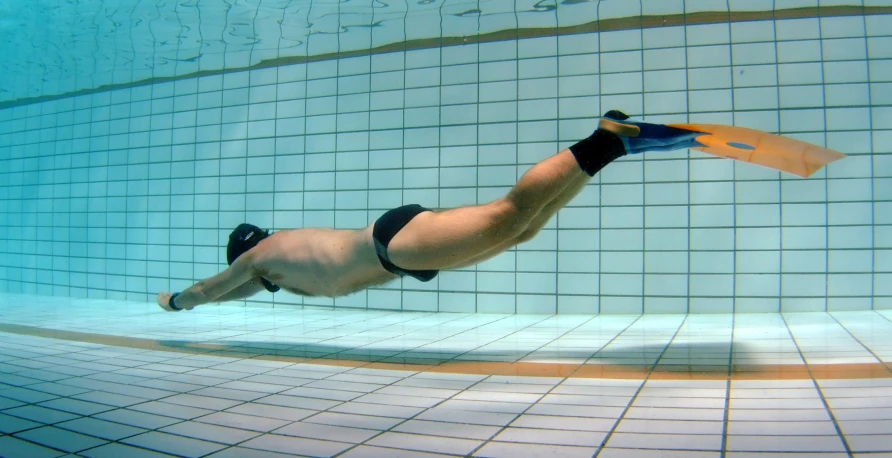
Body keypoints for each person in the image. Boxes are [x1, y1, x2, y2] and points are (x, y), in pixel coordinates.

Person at [157, 110, 705, 311]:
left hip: (389, 242)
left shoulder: (261, 256)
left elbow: (216, 287)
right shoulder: (271, 265)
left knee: (507, 216)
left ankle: (606, 140)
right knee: (522, 232)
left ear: (246, 251)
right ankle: (612, 147)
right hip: (395, 253)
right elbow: (243, 291)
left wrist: (177, 302)